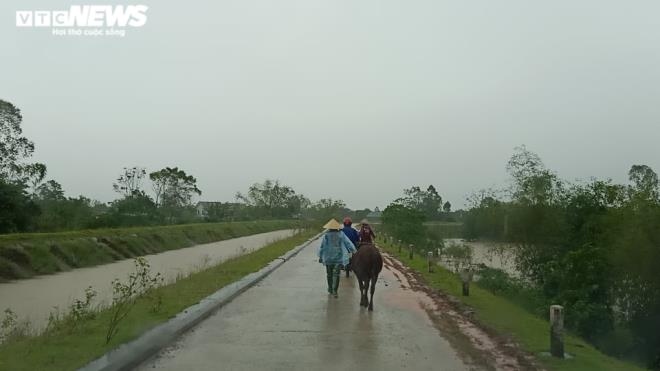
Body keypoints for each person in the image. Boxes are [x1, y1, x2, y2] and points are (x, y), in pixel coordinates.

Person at [318, 218, 357, 297]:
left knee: (329, 274)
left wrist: (321, 256)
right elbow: (348, 243)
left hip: (328, 257)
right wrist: (354, 251)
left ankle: (330, 288)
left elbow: (322, 246)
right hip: (338, 257)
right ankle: (335, 291)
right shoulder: (341, 234)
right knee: (336, 274)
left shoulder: (326, 235)